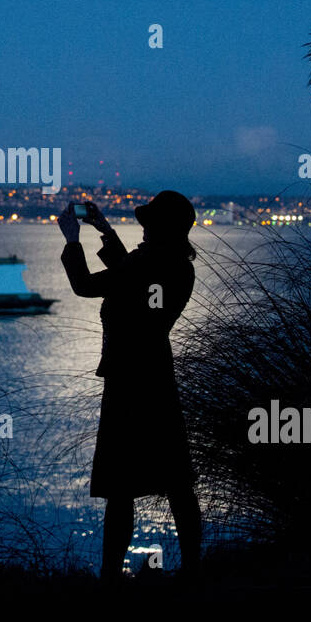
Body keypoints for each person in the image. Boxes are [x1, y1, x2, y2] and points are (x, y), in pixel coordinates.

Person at [57, 191, 202, 582]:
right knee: (176, 481)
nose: (142, 230)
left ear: (157, 229)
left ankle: (110, 577)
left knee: (121, 486)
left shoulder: (149, 264)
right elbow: (132, 276)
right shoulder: (175, 265)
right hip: (156, 376)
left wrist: (73, 240)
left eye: (147, 224)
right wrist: (104, 231)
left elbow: (88, 285)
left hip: (127, 381)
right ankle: (193, 569)